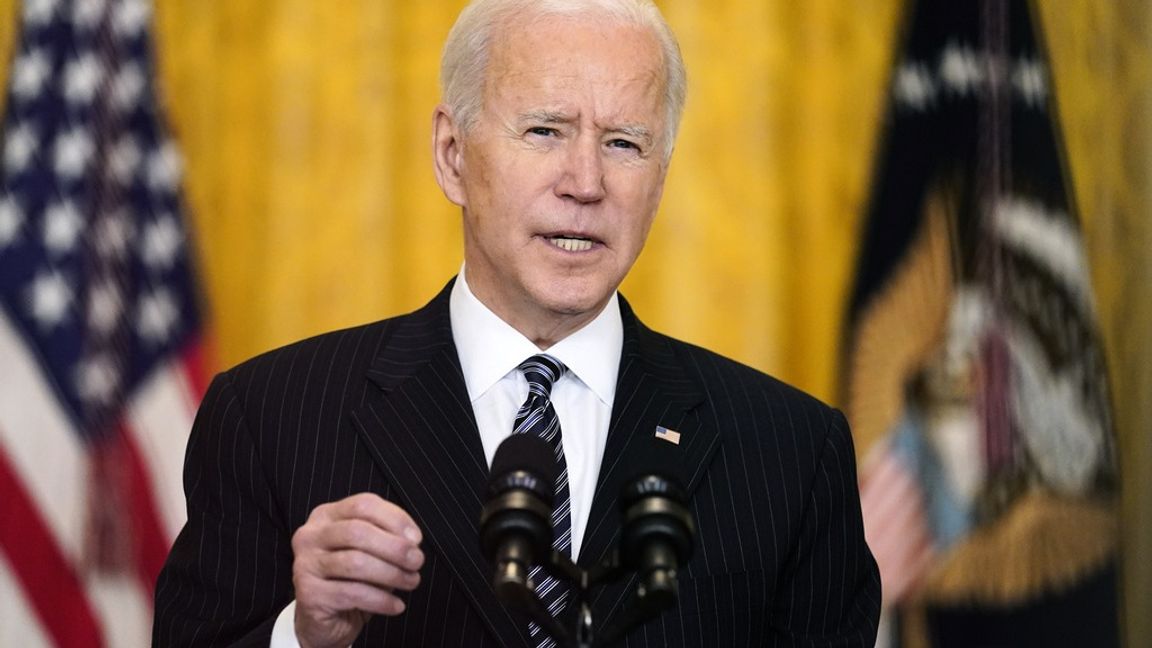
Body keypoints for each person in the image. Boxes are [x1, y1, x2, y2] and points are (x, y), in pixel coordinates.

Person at [152, 0, 881, 646]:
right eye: (544, 131)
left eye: (624, 142)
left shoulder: (791, 452)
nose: (586, 183)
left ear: (661, 176)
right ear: (452, 155)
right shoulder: (271, 416)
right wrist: (304, 637)